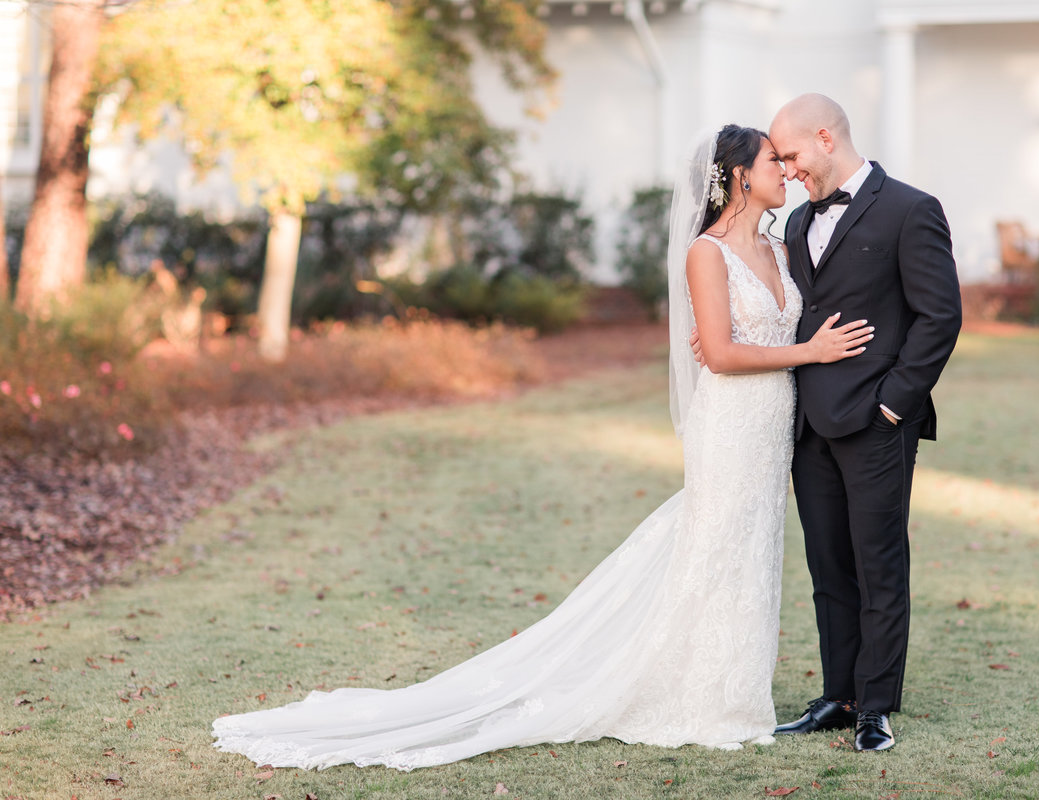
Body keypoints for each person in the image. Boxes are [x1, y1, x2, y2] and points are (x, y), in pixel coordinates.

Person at [209, 123, 873, 772]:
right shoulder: (707, 252)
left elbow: (769, 329)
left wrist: (800, 349)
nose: (783, 172)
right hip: (729, 423)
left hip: (772, 426)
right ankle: (702, 699)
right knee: (715, 545)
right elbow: (723, 354)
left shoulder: (782, 247)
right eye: (770, 162)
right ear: (736, 178)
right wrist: (804, 351)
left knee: (748, 551)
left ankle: (733, 692)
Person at [765, 94, 961, 751]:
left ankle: (876, 705)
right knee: (828, 567)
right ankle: (838, 697)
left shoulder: (911, 209)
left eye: (791, 155)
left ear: (825, 137)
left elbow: (940, 317)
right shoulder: (795, 222)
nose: (787, 169)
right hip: (807, 426)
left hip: (877, 421)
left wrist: (894, 403)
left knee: (879, 565)